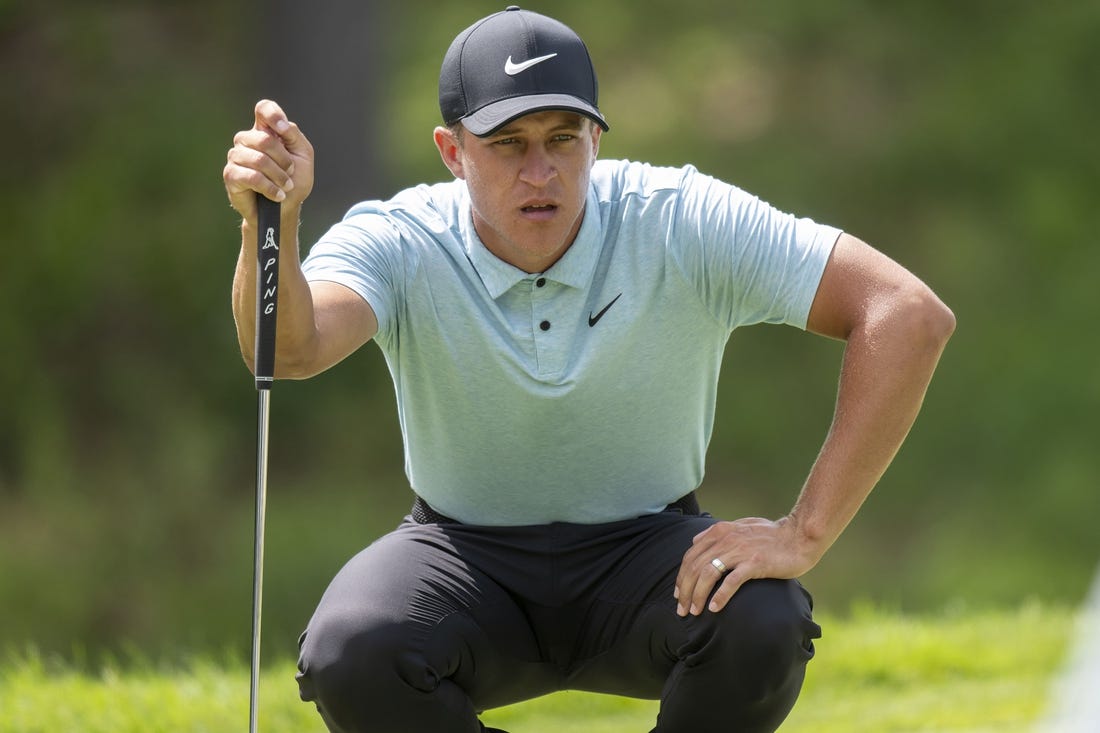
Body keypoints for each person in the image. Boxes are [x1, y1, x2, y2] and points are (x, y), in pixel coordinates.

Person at [223, 7, 954, 733]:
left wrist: (805, 531)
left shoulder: (678, 218)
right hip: (463, 555)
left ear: (596, 138)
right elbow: (286, 349)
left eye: (562, 139)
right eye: (508, 143)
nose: (540, 172)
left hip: (648, 553)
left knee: (763, 619)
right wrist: (271, 223)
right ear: (452, 150)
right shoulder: (402, 238)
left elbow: (906, 313)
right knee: (352, 649)